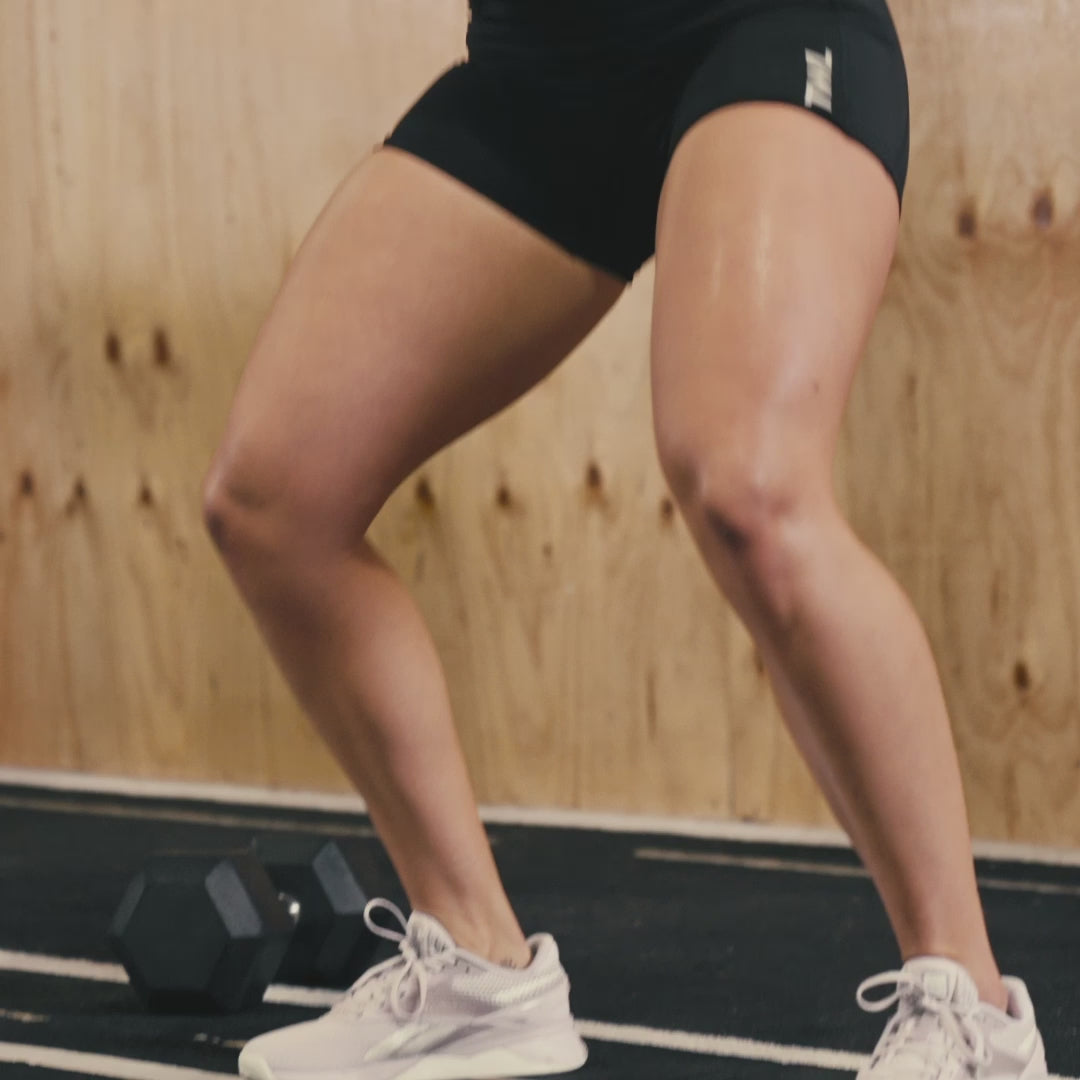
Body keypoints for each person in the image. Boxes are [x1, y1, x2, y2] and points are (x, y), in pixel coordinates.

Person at [202, 2, 1049, 1078]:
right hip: (541, 69)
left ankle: (976, 1024)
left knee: (749, 487)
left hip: (754, 27)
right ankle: (477, 975)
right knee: (275, 501)